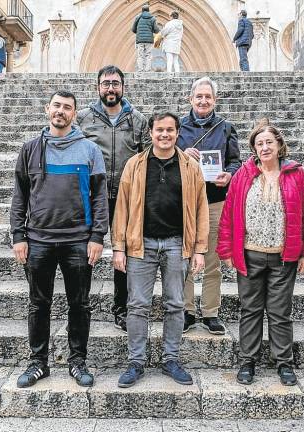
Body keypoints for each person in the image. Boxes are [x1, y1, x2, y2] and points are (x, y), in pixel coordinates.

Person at [10, 90, 109, 388]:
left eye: (67, 107)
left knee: (79, 304)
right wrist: (19, 235)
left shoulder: (90, 151)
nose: (61, 111)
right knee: (38, 304)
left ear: (74, 114)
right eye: (56, 106)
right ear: (47, 110)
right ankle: (38, 362)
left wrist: (98, 236)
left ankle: (77, 361)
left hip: (78, 240)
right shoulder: (30, 149)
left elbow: (100, 198)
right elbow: (20, 196)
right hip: (38, 240)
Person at [112, 112, 209, 388]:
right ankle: (136, 361)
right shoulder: (135, 164)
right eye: (159, 130)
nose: (164, 135)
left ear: (177, 133)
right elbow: (122, 208)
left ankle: (171, 359)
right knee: (137, 305)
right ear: (151, 133)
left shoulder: (190, 166)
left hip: (177, 243)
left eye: (169, 130)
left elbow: (201, 208)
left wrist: (199, 250)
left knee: (176, 304)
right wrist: (119, 247)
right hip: (140, 245)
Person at [216, 122, 304, 386]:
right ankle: (248, 360)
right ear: (254, 149)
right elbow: (228, 215)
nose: (265, 147)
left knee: (280, 312)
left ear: (279, 145)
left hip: (284, 256)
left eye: (269, 142)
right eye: (259, 143)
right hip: (250, 255)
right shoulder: (244, 175)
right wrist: (225, 249)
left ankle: (284, 362)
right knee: (250, 309)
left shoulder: (296, 174)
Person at [77, 65, 151, 332]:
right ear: (98, 87)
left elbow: (148, 159)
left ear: (123, 87)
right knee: (84, 252)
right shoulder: (82, 118)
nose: (111, 88)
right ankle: (80, 305)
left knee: (125, 253)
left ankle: (121, 308)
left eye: (115, 83)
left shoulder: (138, 120)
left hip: (126, 197)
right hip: (92, 197)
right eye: (106, 83)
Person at [177, 76, 241, 335]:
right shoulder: (178, 127)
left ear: (215, 100)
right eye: (199, 96)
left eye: (208, 97)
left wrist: (230, 174)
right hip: (186, 201)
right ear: (190, 99)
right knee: (185, 258)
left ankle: (211, 312)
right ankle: (187, 311)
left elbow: (236, 161)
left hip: (216, 200)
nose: (203, 101)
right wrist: (182, 154)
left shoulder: (226, 128)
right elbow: (163, 157)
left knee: (213, 258)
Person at [131, 4, 160, 72]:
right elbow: (156, 30)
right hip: (149, 40)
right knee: (148, 55)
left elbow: (133, 29)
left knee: (140, 55)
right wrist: (152, 30)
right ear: (148, 10)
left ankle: (140, 69)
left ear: (142, 10)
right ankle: (147, 69)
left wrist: (138, 32)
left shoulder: (137, 18)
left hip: (140, 40)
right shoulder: (152, 18)